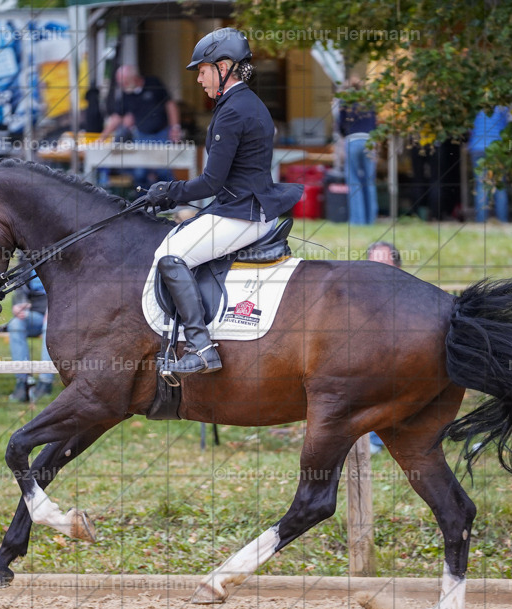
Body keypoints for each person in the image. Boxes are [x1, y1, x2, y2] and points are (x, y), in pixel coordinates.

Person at [142, 28, 303, 379]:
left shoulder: (232, 112)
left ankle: (201, 349)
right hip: (248, 208)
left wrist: (167, 191)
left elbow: (210, 183)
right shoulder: (248, 104)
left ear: (224, 67)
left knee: (172, 256)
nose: (199, 78)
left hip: (240, 214)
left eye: (202, 69)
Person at [100, 64, 182, 188]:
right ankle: (143, 202)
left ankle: (172, 201)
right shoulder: (126, 94)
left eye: (124, 82)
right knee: (140, 172)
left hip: (162, 133)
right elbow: (117, 117)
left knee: (164, 170)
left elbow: (170, 105)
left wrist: (175, 127)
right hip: (142, 135)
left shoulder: (153, 83)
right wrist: (103, 136)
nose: (122, 86)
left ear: (134, 78)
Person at [365, 240, 402, 455]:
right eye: (372, 266)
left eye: (383, 265)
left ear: (397, 268)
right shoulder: (359, 298)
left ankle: (376, 440)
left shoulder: (412, 298)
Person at [7, 273, 55, 402]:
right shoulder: (27, 256)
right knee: (15, 325)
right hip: (34, 313)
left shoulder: (60, 255)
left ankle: (45, 382)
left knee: (49, 326)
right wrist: (19, 304)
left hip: (59, 312)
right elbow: (20, 285)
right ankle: (23, 381)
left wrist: (54, 309)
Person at [338, 78, 378, 225]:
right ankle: (371, 219)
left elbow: (341, 126)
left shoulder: (345, 103)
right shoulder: (369, 102)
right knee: (369, 181)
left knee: (354, 181)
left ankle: (357, 221)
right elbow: (375, 124)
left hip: (352, 141)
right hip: (369, 140)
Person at [467, 106, 510, 223]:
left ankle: (481, 221)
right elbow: (507, 127)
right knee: (499, 184)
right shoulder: (502, 107)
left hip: (477, 147)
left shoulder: (475, 106)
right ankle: (503, 220)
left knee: (481, 185)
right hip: (497, 147)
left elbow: (469, 127)